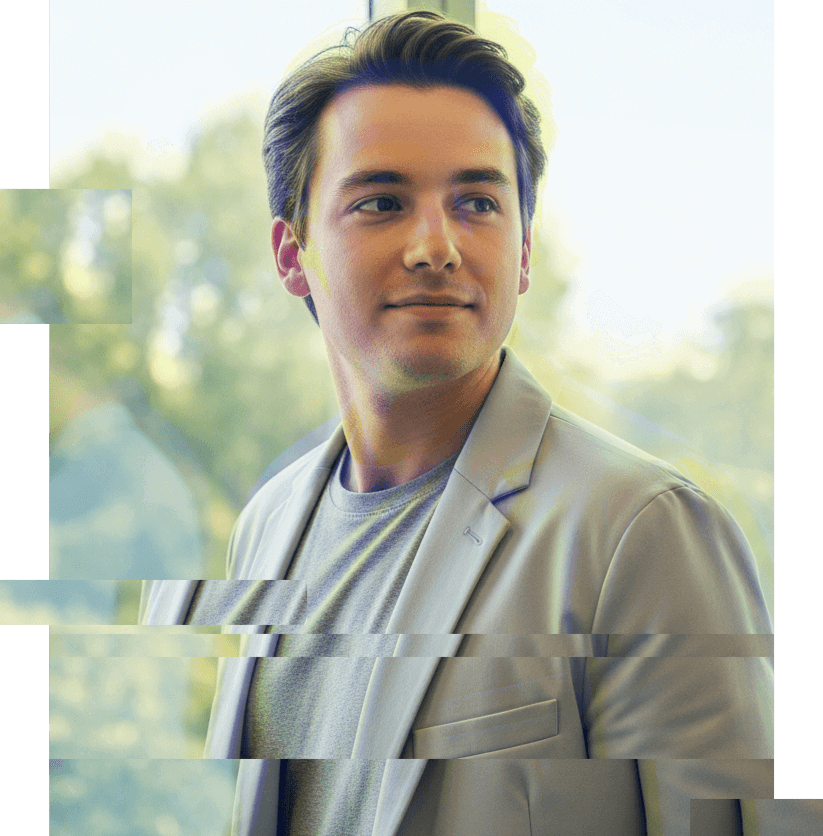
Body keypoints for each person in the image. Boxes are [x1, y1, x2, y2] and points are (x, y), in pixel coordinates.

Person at [140, 10, 778, 835]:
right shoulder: (265, 529)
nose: (435, 245)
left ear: (521, 249)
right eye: (381, 201)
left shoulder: (643, 531)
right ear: (291, 254)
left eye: (477, 200)